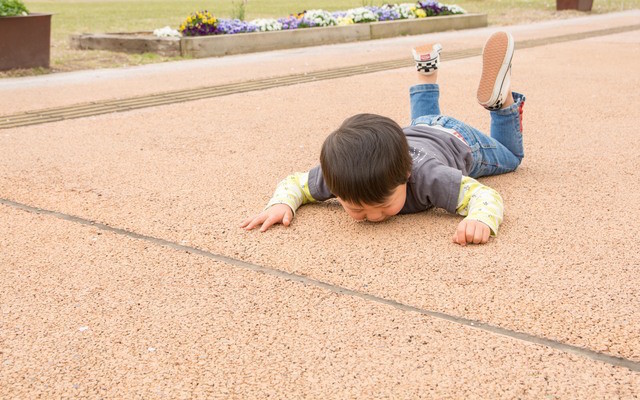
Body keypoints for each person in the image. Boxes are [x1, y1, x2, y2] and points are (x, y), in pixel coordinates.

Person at [241, 31, 525, 245]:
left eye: (384, 204)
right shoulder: (341, 177)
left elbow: (483, 195)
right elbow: (296, 183)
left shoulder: (430, 177)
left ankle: (502, 106)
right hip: (419, 128)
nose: (375, 216)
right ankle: (426, 71)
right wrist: (281, 203)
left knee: (511, 158)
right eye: (356, 209)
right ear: (337, 192)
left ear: (406, 174)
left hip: (458, 139)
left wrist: (480, 218)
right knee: (420, 122)